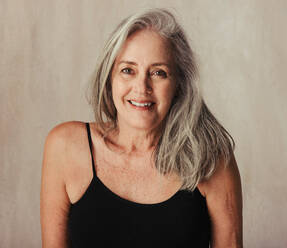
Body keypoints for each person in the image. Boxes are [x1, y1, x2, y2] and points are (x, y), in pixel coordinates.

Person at [40, 8, 243, 248]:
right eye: (128, 70)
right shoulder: (65, 147)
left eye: (159, 73)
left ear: (179, 85)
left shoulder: (211, 159)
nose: (141, 87)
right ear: (109, 78)